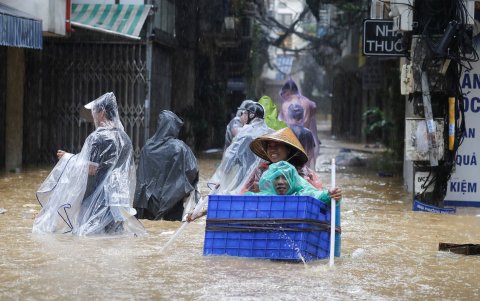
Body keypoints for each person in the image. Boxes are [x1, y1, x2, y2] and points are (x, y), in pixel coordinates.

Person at [33, 92, 145, 236]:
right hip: (118, 200)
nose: (92, 116)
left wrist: (68, 159)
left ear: (102, 113)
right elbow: (127, 171)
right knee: (113, 238)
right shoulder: (125, 138)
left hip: (96, 199)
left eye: (94, 112)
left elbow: (92, 169)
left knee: (90, 238)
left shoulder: (97, 138)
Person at [134, 110, 199, 221]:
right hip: (172, 203)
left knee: (151, 232)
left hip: (148, 204)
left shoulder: (147, 147)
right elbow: (192, 171)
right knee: (170, 231)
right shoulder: (180, 148)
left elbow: (141, 178)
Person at [208, 102, 273, 195]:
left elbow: (231, 155)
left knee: (237, 193)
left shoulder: (246, 131)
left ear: (251, 115)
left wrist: (221, 177)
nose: (242, 116)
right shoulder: (270, 131)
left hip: (245, 173)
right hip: (264, 175)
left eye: (244, 113)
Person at [242, 126, 322, 193]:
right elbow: (246, 194)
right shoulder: (261, 170)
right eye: (270, 146)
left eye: (277, 146)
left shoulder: (300, 170)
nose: (272, 150)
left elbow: (312, 194)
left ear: (288, 150)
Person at [244, 161, 341, 203]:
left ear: (293, 181)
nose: (280, 182)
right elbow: (247, 198)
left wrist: (331, 194)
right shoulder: (267, 196)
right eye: (276, 178)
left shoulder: (301, 194)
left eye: (285, 178)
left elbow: (319, 196)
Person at [278, 79, 320, 170]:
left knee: (291, 162)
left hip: (291, 136)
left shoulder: (286, 104)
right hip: (306, 136)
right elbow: (313, 123)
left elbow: (281, 122)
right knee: (307, 163)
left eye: (283, 94)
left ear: (287, 92)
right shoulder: (309, 103)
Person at [287, 103, 317, 169]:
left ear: (288, 116)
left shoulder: (284, 132)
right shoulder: (308, 132)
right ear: (302, 116)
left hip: (288, 169)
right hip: (303, 168)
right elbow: (311, 153)